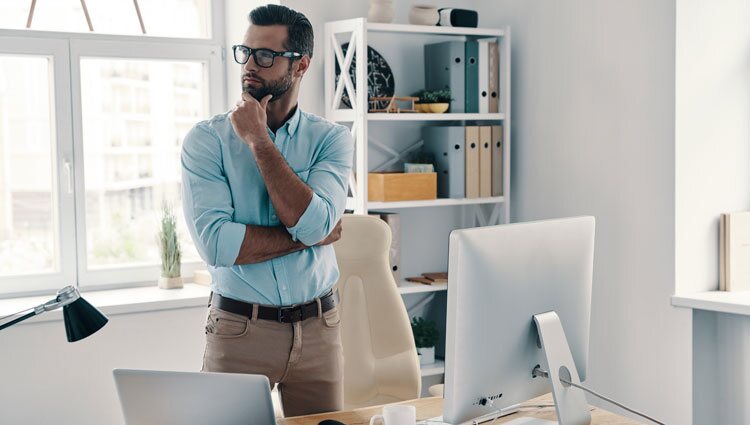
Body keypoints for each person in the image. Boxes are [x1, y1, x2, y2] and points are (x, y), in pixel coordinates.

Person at [181, 4, 353, 417]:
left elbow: (314, 224)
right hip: (239, 331)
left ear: (301, 64)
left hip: (319, 332)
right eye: (246, 51)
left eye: (265, 55)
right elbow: (219, 247)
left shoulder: (331, 139)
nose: (250, 66)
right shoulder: (206, 142)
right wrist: (308, 235)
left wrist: (259, 142)